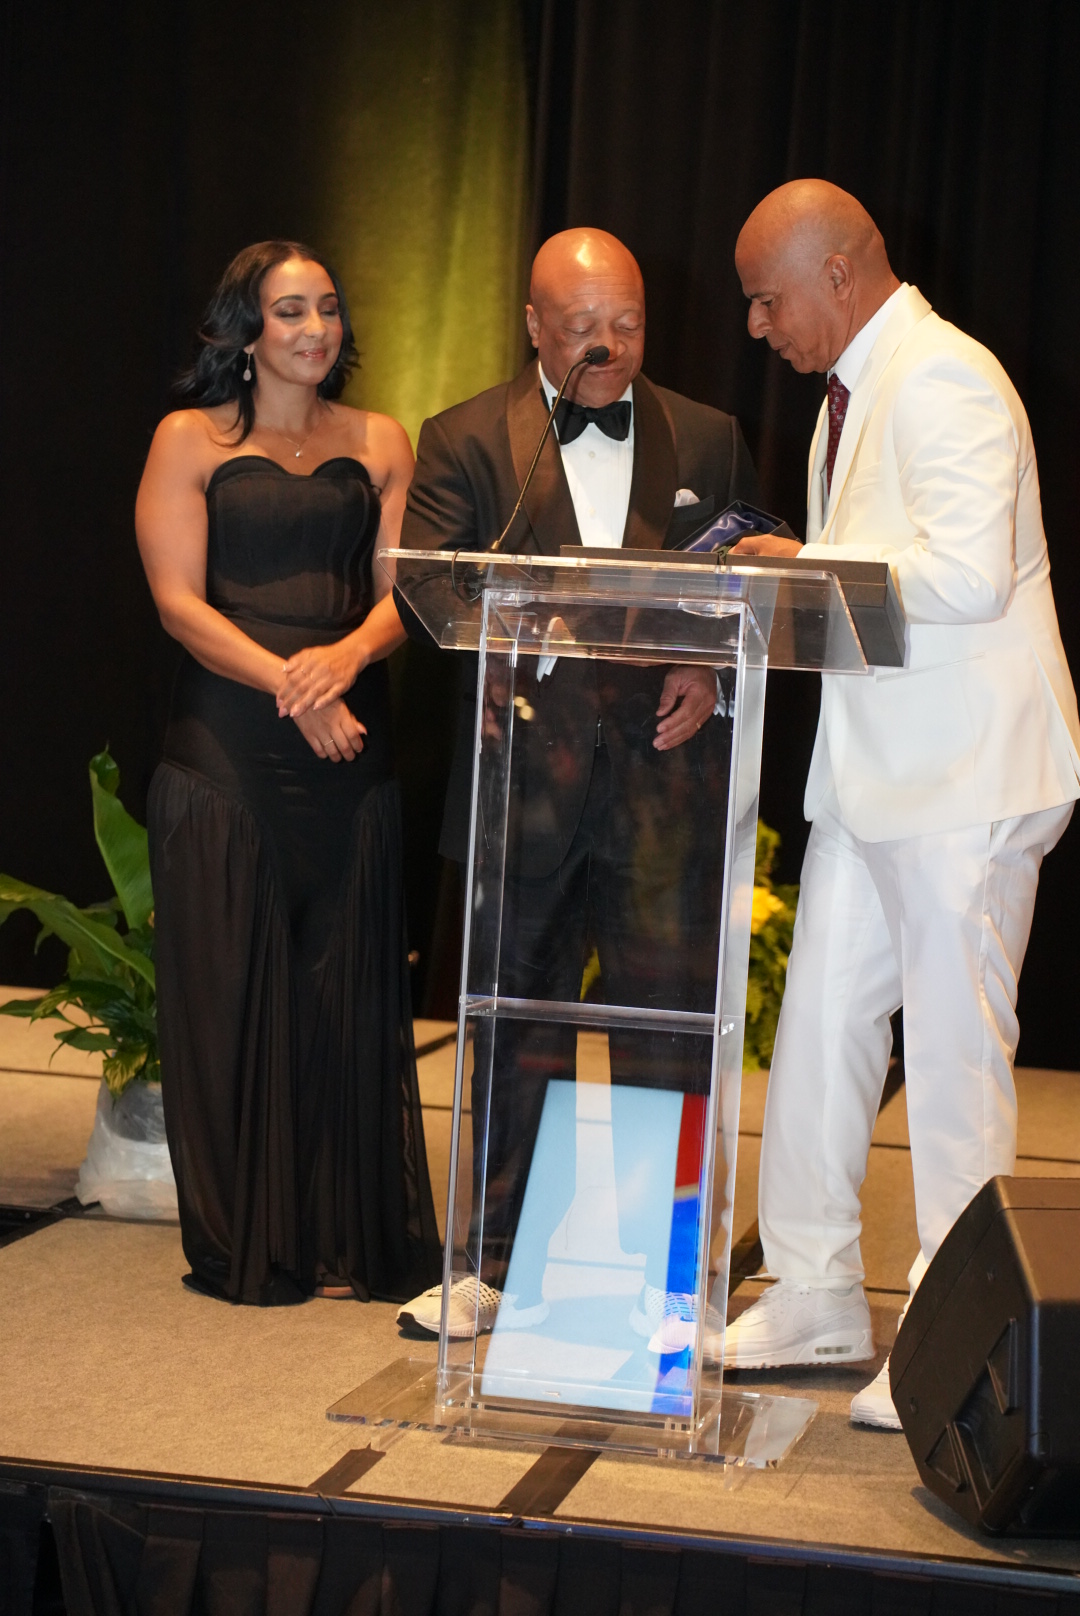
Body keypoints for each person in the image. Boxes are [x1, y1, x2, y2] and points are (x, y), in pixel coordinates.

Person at [723, 181, 1080, 1426]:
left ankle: (955, 1334)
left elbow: (968, 578)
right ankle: (814, 1288)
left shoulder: (945, 377)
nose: (757, 326)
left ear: (837, 273)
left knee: (952, 1055)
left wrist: (800, 566)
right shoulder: (853, 392)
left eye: (767, 299)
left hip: (965, 776)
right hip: (875, 777)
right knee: (819, 1025)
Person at [393, 227, 763, 1344]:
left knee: (667, 1034)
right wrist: (514, 633)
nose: (609, 344)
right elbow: (426, 591)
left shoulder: (709, 433)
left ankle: (668, 1280)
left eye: (628, 323)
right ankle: (493, 1266)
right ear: (534, 325)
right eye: (584, 326)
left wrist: (710, 664)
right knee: (514, 1025)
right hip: (524, 783)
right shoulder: (463, 437)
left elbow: (757, 579)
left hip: (665, 784)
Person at [136, 240, 440, 1305]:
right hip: (229, 748)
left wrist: (343, 663)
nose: (316, 328)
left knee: (346, 999)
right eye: (291, 310)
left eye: (329, 308)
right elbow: (178, 604)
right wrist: (295, 686)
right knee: (228, 996)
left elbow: (407, 592)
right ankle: (250, 1238)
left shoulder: (382, 438)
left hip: (354, 746)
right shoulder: (189, 438)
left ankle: (344, 1229)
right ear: (247, 329)